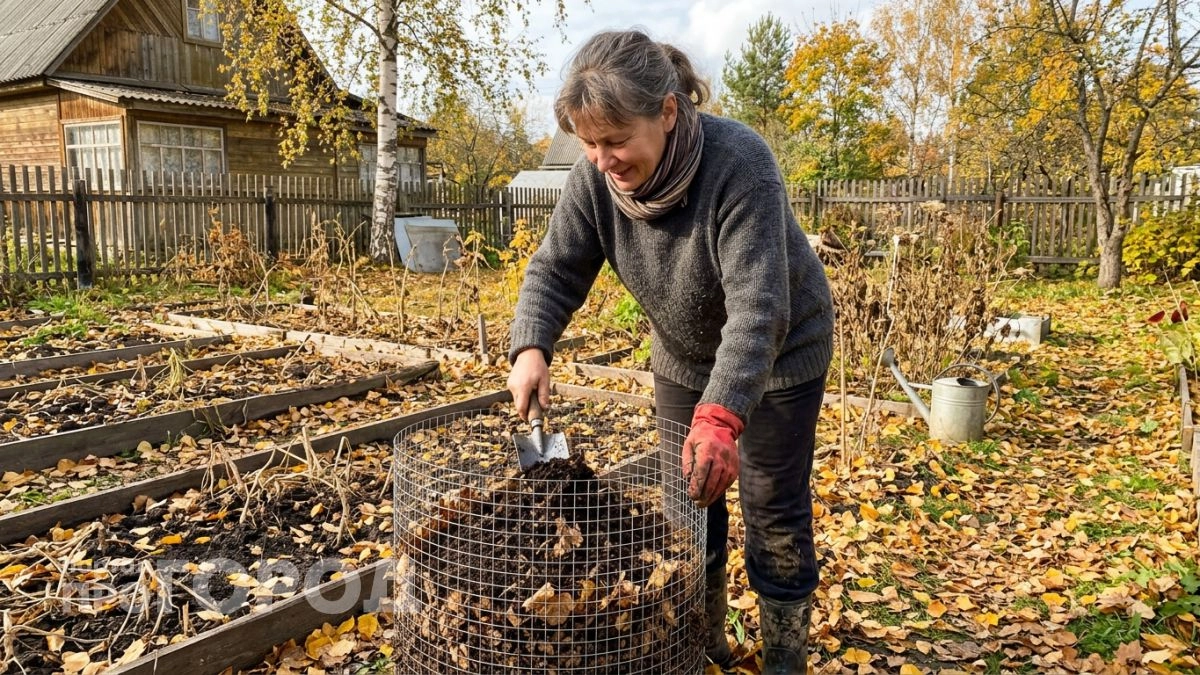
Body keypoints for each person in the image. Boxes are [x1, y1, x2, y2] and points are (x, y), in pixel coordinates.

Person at [506, 28, 834, 674]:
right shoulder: (595, 180)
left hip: (779, 354)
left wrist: (722, 416)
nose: (602, 158)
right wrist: (531, 345)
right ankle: (703, 647)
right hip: (685, 358)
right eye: (589, 143)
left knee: (773, 511)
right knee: (689, 509)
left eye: (614, 139)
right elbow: (555, 268)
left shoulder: (739, 163)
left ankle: (784, 660)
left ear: (667, 111)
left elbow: (759, 308)